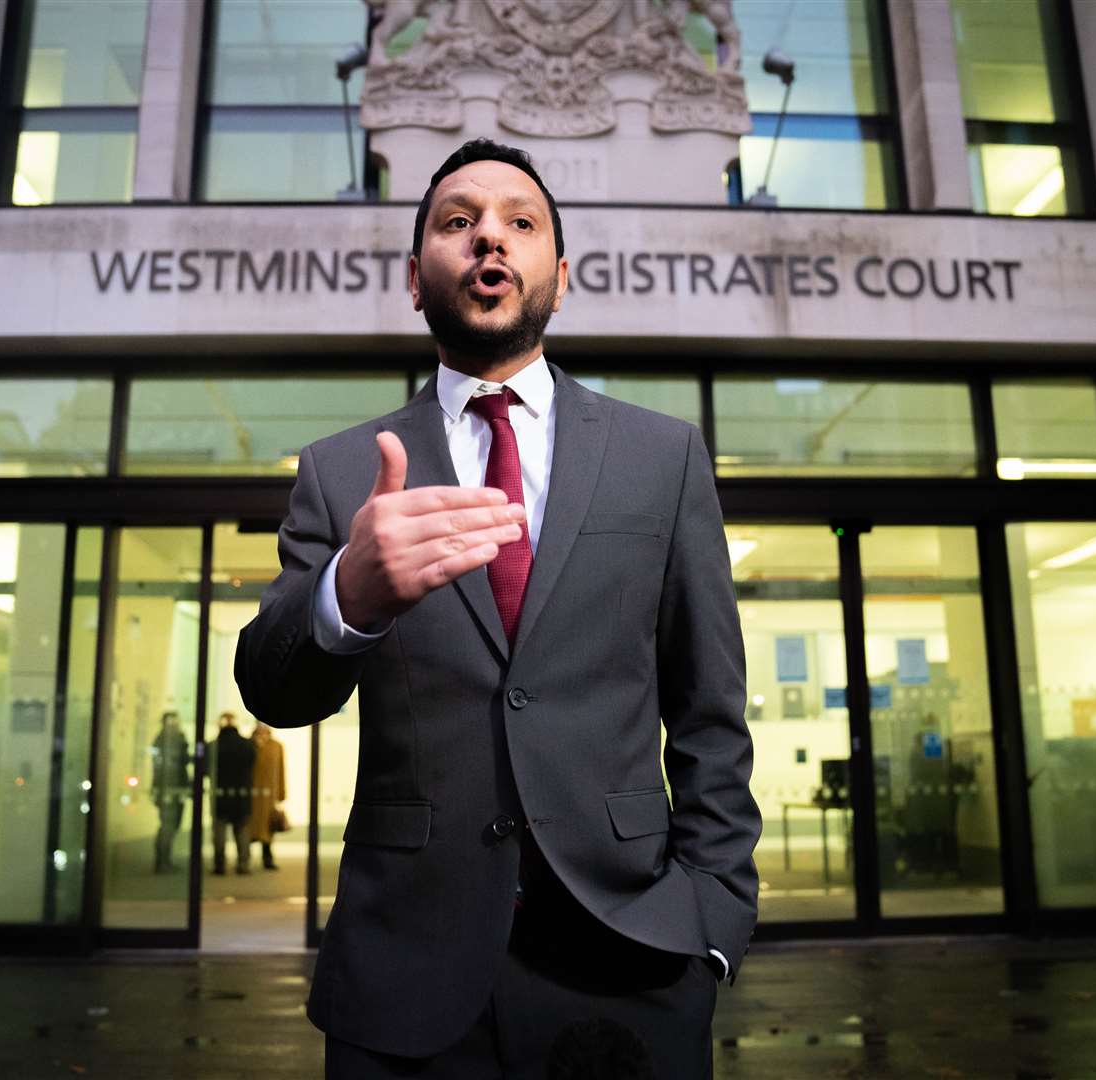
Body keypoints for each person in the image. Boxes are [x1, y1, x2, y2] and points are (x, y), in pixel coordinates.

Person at [236, 138, 759, 1079]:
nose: (490, 239)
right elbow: (272, 690)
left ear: (558, 273)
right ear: (414, 276)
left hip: (632, 957)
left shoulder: (662, 457)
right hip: (405, 971)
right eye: (457, 221)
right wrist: (344, 599)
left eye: (520, 223)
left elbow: (709, 707)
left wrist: (713, 916)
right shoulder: (344, 470)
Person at [207, 712, 257, 875]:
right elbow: (253, 765)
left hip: (220, 795)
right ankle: (243, 863)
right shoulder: (247, 744)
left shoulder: (214, 745)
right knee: (242, 830)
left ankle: (219, 864)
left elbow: (207, 769)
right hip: (241, 795)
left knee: (219, 831)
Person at [150, 710, 191, 874]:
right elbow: (170, 765)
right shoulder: (169, 740)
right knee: (168, 825)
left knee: (170, 825)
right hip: (170, 789)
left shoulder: (167, 739)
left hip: (170, 789)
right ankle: (162, 862)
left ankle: (164, 860)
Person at [246, 721, 286, 871]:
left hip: (269, 796)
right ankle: (245, 859)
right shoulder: (248, 744)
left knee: (268, 829)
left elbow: (281, 770)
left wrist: (282, 793)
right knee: (249, 827)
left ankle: (267, 858)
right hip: (252, 794)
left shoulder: (276, 746)